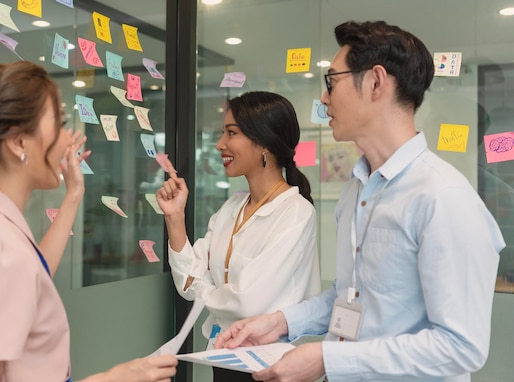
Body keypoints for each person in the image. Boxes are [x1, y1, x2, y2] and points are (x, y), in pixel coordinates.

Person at [215, 21, 506, 382]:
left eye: (331, 82)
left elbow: (460, 347)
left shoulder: (443, 197)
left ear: (375, 82)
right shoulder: (357, 189)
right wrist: (278, 323)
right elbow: (348, 296)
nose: (324, 99)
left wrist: (328, 359)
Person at [0, 61, 177, 382]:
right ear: (18, 142)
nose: (67, 141)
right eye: (59, 124)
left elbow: (32, 273)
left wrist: (73, 194)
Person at [156, 91, 321, 382]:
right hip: (225, 359)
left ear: (264, 144)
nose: (220, 144)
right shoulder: (232, 207)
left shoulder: (295, 213)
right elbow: (187, 283)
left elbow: (247, 302)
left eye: (231, 133)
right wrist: (175, 217)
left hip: (270, 368)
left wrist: (205, 290)